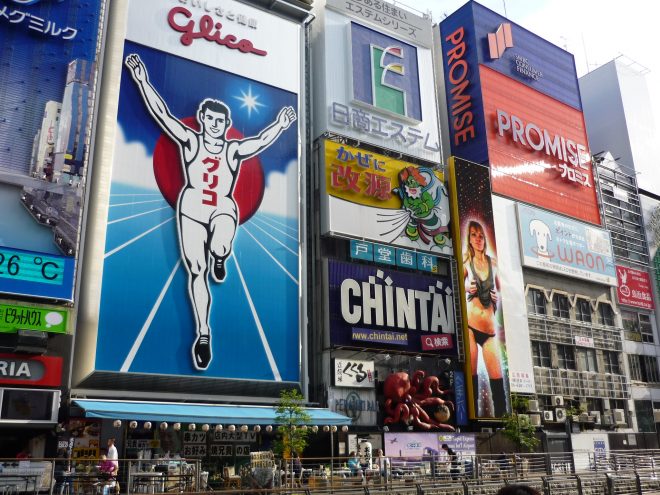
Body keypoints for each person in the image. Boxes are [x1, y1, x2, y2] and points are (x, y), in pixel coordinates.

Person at [125, 53, 297, 370]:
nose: (215, 125)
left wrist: (281, 125)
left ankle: (221, 254)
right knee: (196, 270)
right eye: (210, 120)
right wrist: (142, 80)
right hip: (191, 206)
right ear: (202, 119)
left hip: (222, 206)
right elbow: (162, 114)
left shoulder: (233, 149)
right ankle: (203, 333)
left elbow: (260, 142)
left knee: (220, 242)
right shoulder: (191, 141)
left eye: (221, 122)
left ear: (227, 125)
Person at [464, 220, 506, 417]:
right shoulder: (466, 262)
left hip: (489, 331)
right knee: (471, 380)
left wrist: (498, 297)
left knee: (498, 384)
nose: (478, 239)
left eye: (481, 235)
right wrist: (466, 287)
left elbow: (503, 290)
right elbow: (454, 283)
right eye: (474, 235)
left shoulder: (493, 263)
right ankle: (471, 422)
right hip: (470, 327)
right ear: (469, 239)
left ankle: (503, 423)